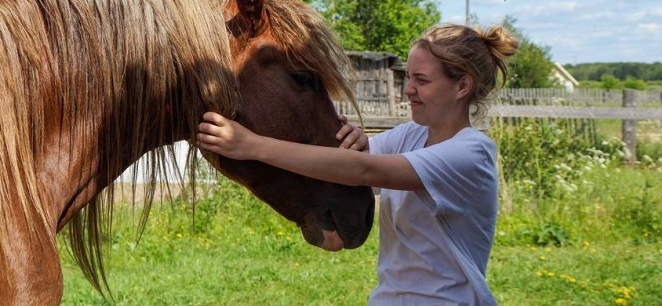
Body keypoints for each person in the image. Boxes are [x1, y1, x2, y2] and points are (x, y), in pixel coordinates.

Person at [197, 23, 519, 305]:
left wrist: (252, 145)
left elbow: (363, 170)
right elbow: (344, 164)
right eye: (408, 77)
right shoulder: (412, 135)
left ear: (461, 86)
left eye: (421, 80)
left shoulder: (470, 153)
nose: (408, 90)